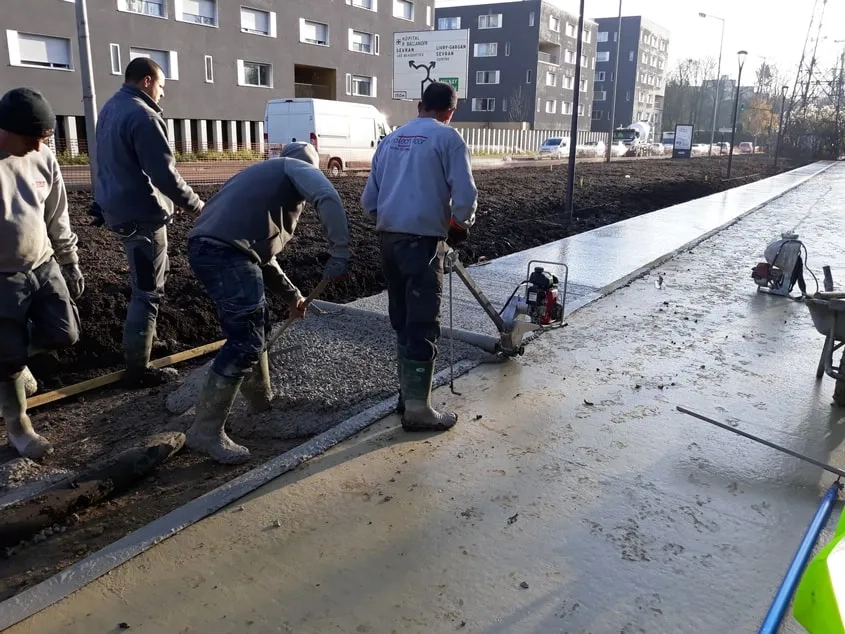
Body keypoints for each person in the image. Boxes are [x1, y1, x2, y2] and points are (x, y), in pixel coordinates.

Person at [185, 142, 350, 464]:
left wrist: (293, 297)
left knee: (255, 328)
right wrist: (340, 250)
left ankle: (260, 402)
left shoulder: (258, 180)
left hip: (211, 249)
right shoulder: (293, 167)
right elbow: (327, 196)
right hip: (226, 254)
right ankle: (204, 431)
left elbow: (262, 258)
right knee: (246, 339)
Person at [361, 82, 478, 432]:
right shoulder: (449, 139)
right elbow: (466, 196)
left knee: (402, 317)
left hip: (389, 240)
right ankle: (418, 410)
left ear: (419, 105)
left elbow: (369, 201)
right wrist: (459, 224)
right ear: (450, 111)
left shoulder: (391, 140)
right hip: (424, 243)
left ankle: (406, 395)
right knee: (424, 320)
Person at [94, 57, 204, 387]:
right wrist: (197, 205)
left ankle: (144, 339)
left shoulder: (111, 108)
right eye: (161, 86)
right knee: (148, 291)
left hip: (118, 208)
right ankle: (138, 368)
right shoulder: (143, 115)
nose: (162, 94)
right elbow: (163, 174)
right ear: (146, 81)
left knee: (150, 278)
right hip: (142, 215)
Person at [0, 87, 84, 459]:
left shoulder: (43, 157)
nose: (37, 147)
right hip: (3, 276)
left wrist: (70, 260)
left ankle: (12, 357)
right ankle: (19, 427)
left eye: (44, 139)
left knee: (66, 333)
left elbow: (57, 213)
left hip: (43, 264)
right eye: (30, 138)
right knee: (8, 359)